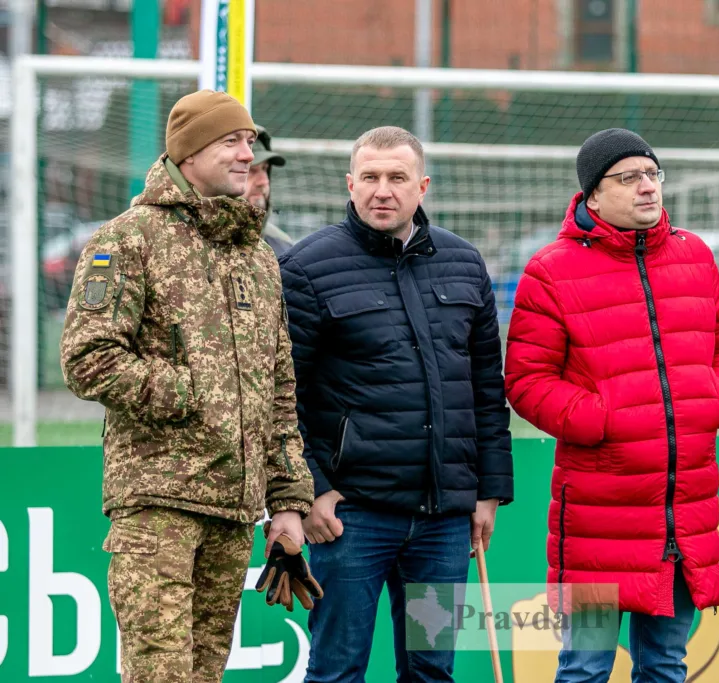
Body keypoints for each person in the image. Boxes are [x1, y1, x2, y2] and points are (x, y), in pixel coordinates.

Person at [59, 90, 315, 683]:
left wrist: (288, 502)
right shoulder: (126, 240)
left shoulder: (256, 256)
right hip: (158, 506)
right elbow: (86, 358)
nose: (247, 154)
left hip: (232, 510)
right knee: (160, 675)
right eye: (232, 140)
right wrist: (189, 391)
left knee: (203, 675)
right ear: (190, 151)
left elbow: (278, 387)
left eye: (249, 141)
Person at [504, 128, 719, 683]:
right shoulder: (550, 270)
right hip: (596, 516)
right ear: (592, 195)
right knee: (584, 670)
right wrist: (605, 420)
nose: (646, 187)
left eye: (652, 174)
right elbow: (526, 380)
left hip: (682, 518)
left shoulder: (695, 255)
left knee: (665, 666)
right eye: (628, 177)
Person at [279, 125, 514, 682]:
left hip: (444, 520)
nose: (383, 190)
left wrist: (489, 491)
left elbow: (486, 386)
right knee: (338, 671)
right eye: (371, 177)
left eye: (397, 177)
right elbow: (281, 394)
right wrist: (311, 489)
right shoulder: (306, 268)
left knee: (432, 672)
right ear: (351, 184)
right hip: (351, 518)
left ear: (422, 186)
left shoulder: (464, 263)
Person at [242, 124, 294, 256]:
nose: (263, 181)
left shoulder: (282, 246)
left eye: (265, 169)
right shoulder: (194, 240)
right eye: (252, 170)